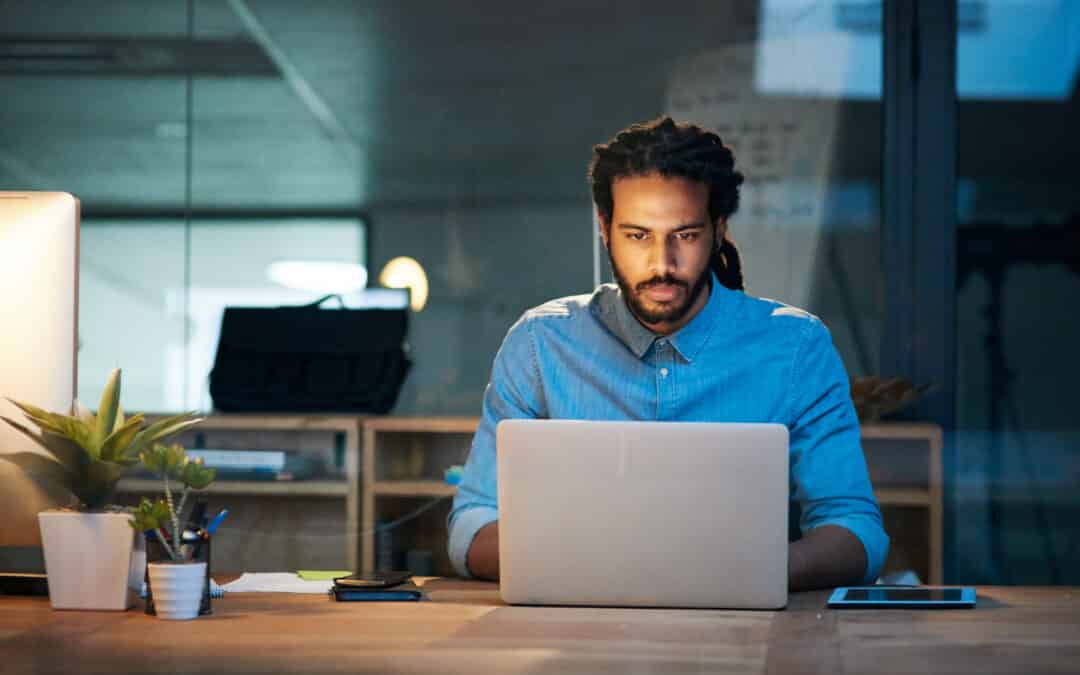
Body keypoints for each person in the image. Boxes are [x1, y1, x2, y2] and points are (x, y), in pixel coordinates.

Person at [447, 116, 888, 590]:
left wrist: (758, 570)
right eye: (638, 235)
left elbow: (856, 529)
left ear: (718, 231)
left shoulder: (797, 348)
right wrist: (596, 564)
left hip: (743, 633)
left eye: (686, 235)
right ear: (605, 228)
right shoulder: (539, 344)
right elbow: (472, 524)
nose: (662, 264)